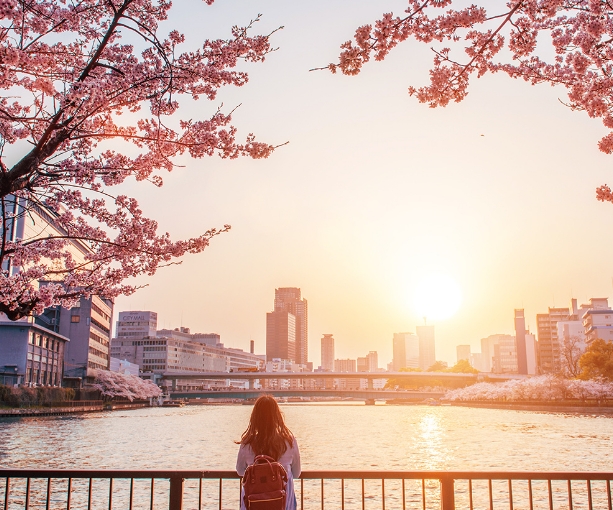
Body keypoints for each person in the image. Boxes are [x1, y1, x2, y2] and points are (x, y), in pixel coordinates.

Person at [236, 395, 301, 510]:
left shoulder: (247, 442)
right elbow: (296, 473)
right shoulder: (289, 441)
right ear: (277, 416)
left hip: (254, 502)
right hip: (283, 503)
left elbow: (240, 471)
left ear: (255, 417)